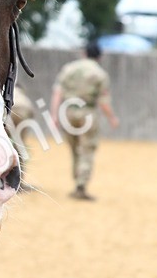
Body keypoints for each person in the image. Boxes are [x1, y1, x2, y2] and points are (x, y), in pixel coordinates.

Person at [50, 41, 119, 200]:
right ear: (99, 57)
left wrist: (54, 115)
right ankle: (81, 185)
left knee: (74, 148)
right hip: (87, 113)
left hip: (67, 112)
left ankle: (77, 178)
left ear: (84, 53)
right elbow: (103, 101)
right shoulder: (100, 74)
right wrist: (112, 118)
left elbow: (57, 93)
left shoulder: (69, 69)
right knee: (87, 149)